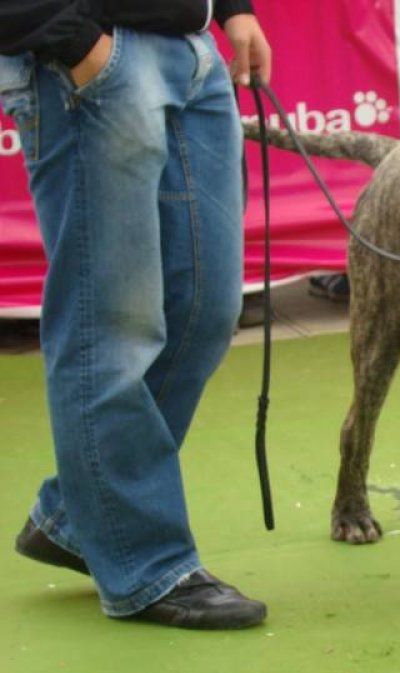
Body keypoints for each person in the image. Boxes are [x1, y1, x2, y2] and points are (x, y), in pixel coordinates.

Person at [0, 1, 273, 629]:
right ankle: (145, 563)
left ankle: (78, 514)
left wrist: (233, 9)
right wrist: (72, 40)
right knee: (110, 328)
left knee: (205, 309)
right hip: (88, 56)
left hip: (190, 52)